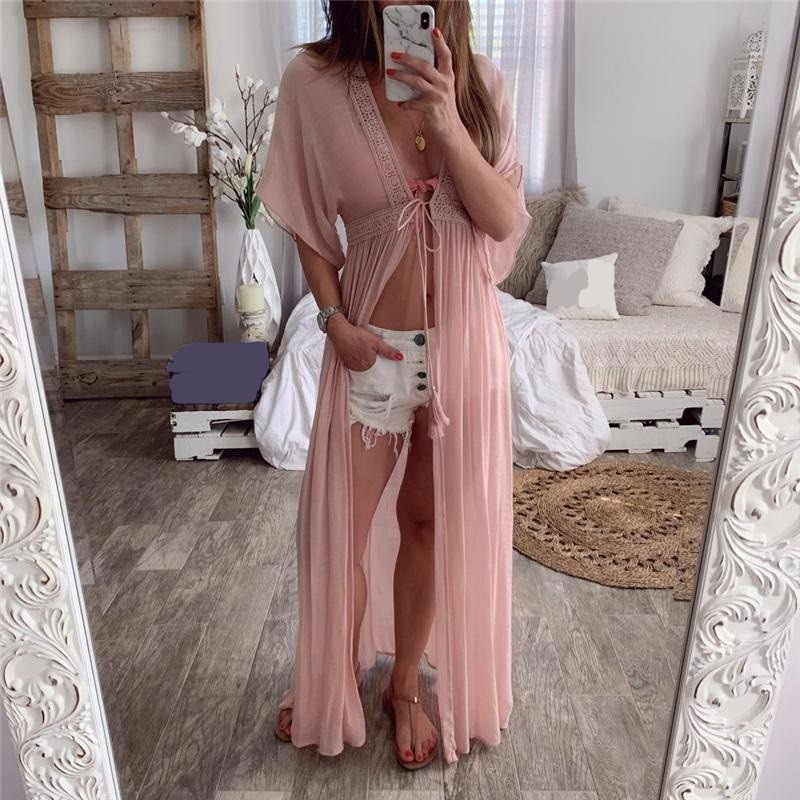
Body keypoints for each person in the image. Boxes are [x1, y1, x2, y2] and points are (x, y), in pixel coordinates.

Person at [255, 0, 532, 769]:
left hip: (465, 357)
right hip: (370, 350)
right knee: (335, 537)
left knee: (429, 527)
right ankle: (332, 675)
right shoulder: (314, 82)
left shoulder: (480, 85)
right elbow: (307, 221)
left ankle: (404, 686)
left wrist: (447, 123)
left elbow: (503, 219)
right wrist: (332, 320)